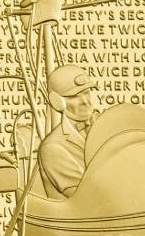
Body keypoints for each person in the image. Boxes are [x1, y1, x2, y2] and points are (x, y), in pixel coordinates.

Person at [38, 65, 100, 199]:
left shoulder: (104, 127)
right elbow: (87, 196)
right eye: (75, 96)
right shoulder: (53, 147)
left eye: (87, 92)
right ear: (57, 102)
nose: (85, 101)